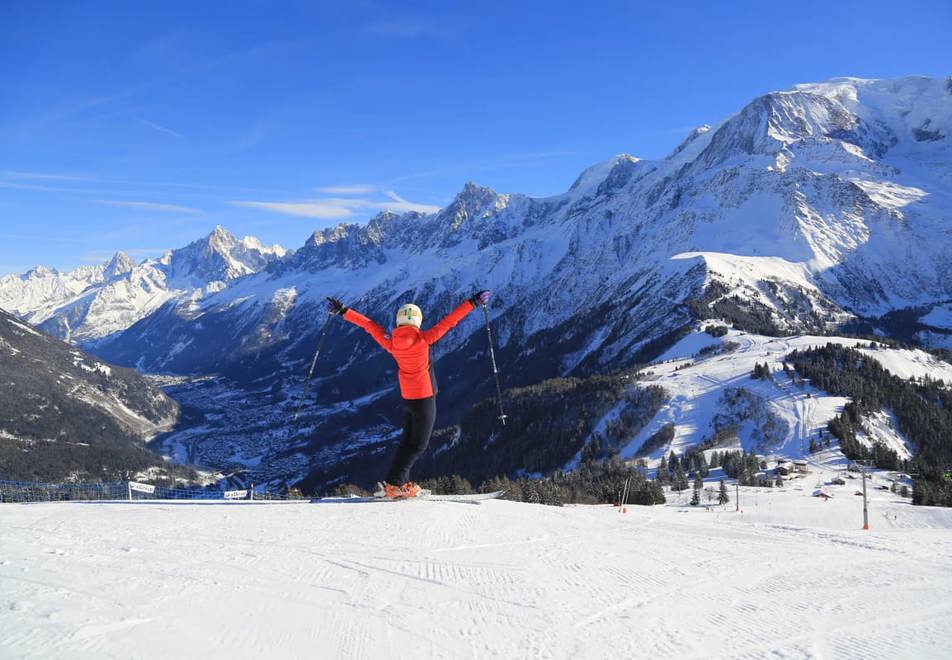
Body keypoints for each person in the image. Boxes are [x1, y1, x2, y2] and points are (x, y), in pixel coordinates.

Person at [326, 290, 491, 498]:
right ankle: (395, 485)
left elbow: (368, 325)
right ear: (418, 321)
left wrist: (342, 311)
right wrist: (473, 303)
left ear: (399, 321)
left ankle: (396, 484)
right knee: (419, 445)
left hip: (408, 398)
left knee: (407, 442)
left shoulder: (391, 342)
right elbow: (450, 321)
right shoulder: (425, 339)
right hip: (425, 397)